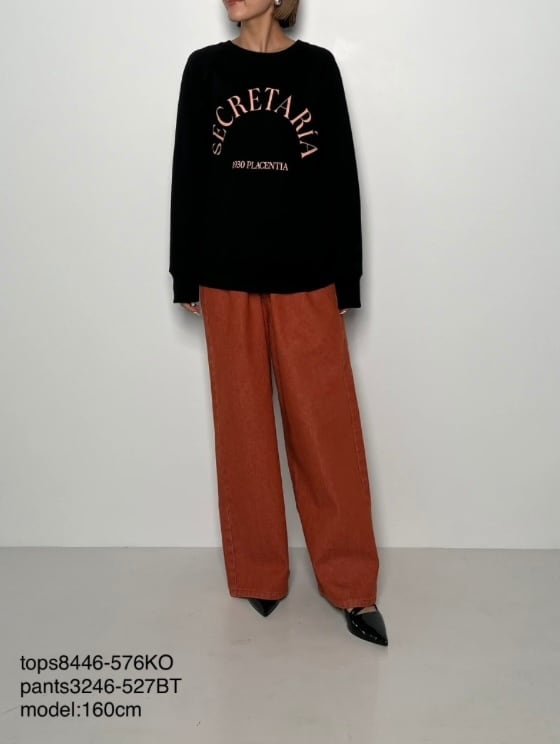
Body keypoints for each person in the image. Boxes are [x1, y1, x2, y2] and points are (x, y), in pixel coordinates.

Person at [169, 0, 388, 646]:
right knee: (242, 424)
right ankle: (261, 573)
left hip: (306, 272)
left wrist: (347, 277)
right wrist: (184, 273)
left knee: (326, 428)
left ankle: (352, 585)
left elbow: (339, 177)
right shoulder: (204, 69)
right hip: (224, 271)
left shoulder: (317, 69)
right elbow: (188, 171)